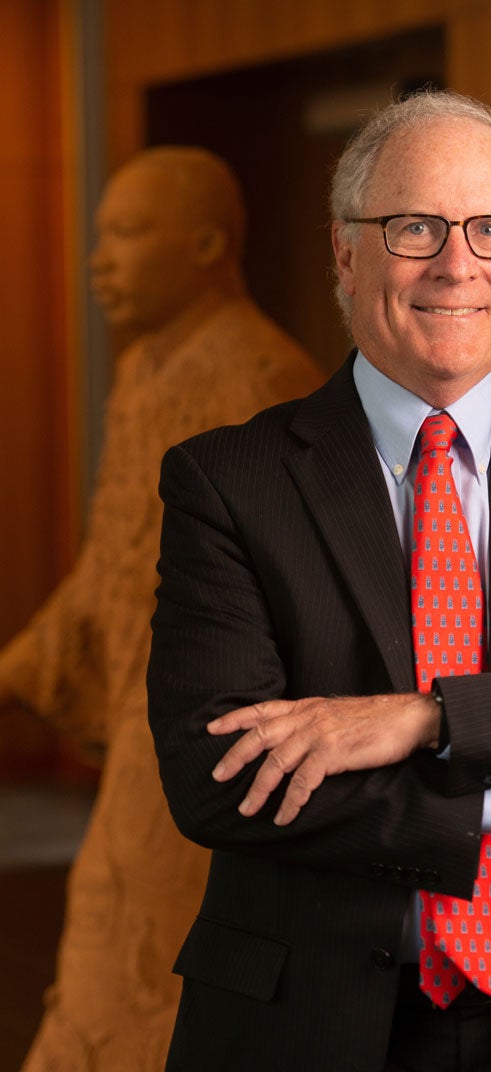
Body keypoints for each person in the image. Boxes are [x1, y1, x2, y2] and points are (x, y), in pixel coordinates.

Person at [147, 91, 491, 1072]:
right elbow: (218, 779)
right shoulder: (227, 481)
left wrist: (427, 721)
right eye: (413, 226)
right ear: (345, 251)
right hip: (312, 1022)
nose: (455, 264)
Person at [0, 146, 322, 1071]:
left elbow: (289, 587)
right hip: (150, 727)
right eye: (98, 236)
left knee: (151, 961)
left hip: (208, 735)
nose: (100, 260)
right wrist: (25, 669)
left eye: (129, 234)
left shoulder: (256, 374)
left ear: (208, 244)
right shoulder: (145, 367)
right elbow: (117, 561)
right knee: (109, 942)